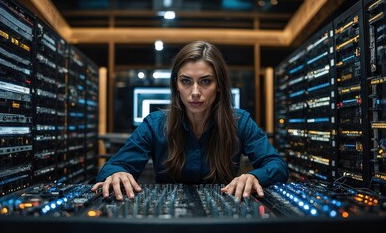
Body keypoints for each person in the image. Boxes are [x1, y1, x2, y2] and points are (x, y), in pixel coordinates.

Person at [91, 41, 288, 201]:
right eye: (186, 81)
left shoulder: (241, 121)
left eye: (205, 81)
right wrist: (117, 173)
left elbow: (277, 165)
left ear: (219, 85)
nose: (195, 92)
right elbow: (113, 167)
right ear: (176, 84)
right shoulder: (154, 124)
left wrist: (254, 176)